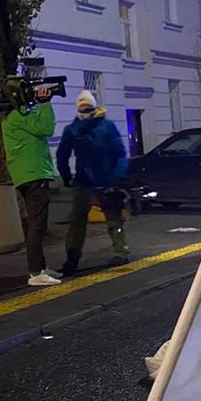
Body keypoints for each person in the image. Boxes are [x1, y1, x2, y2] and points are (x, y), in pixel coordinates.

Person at [56, 90, 130, 276]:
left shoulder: (92, 128)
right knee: (81, 222)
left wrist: (116, 177)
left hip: (103, 180)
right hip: (88, 181)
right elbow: (62, 156)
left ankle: (119, 252)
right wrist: (67, 176)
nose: (85, 111)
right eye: (82, 107)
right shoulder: (92, 128)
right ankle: (74, 258)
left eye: (87, 107)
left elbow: (120, 154)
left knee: (110, 218)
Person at [1, 85, 61, 287]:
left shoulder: (13, 117)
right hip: (33, 174)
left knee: (37, 223)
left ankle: (40, 268)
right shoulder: (18, 117)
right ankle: (35, 272)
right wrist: (44, 103)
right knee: (37, 224)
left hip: (29, 174)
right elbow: (46, 128)